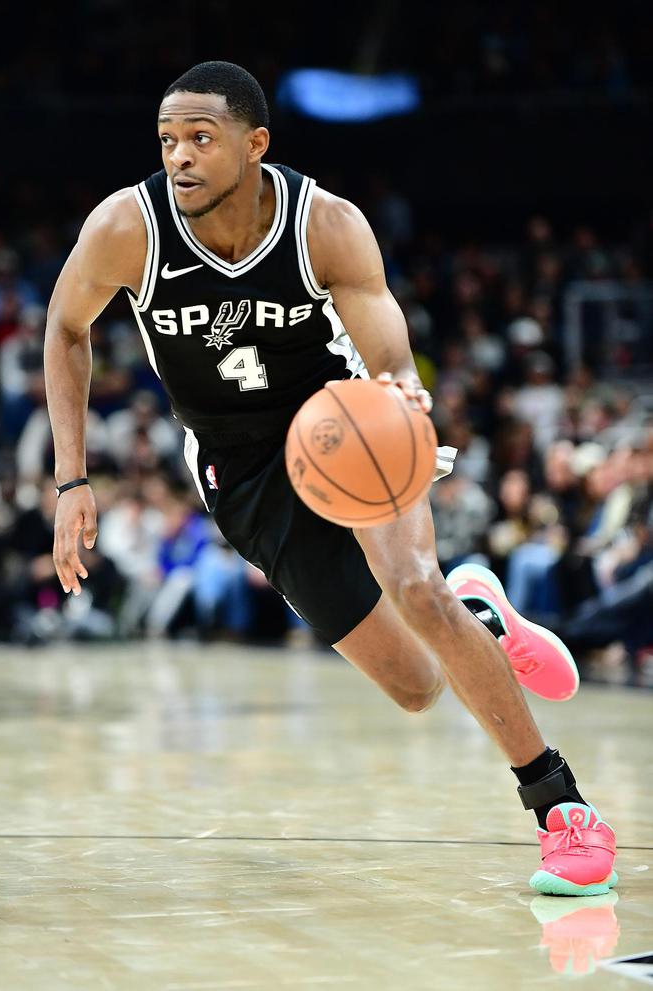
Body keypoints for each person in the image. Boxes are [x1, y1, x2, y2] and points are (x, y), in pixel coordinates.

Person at [44, 61, 617, 896]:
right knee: (417, 685)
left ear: (256, 143)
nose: (180, 157)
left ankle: (562, 808)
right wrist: (72, 478)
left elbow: (388, 349)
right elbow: (65, 327)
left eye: (201, 137)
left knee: (417, 586)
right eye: (168, 141)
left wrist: (402, 392)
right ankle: (485, 618)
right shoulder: (126, 228)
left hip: (346, 423)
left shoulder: (326, 224)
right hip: (239, 465)